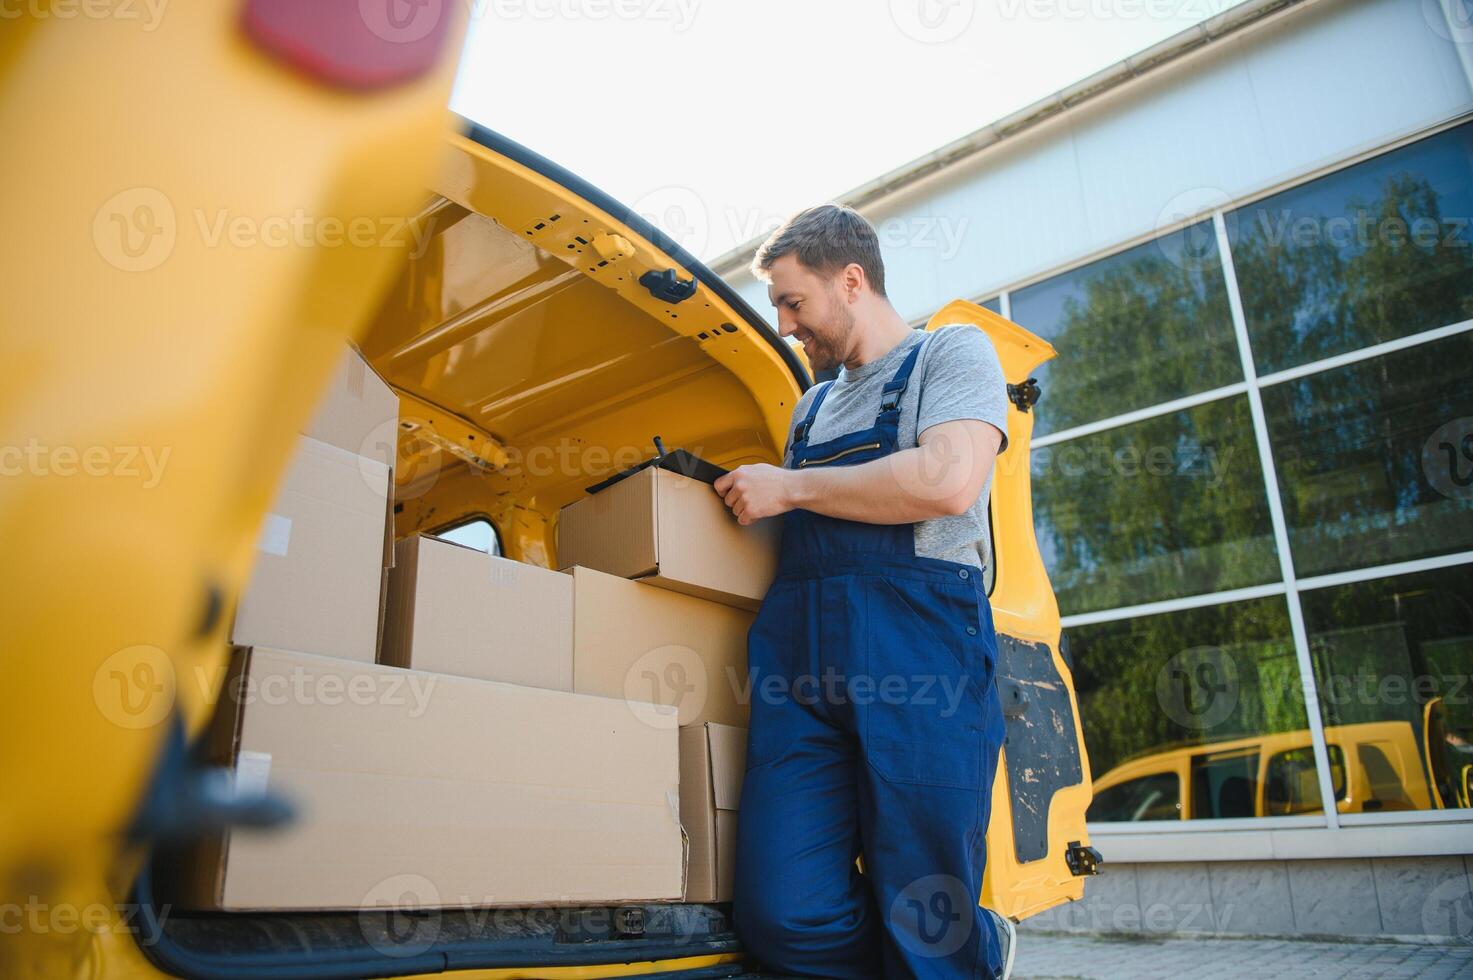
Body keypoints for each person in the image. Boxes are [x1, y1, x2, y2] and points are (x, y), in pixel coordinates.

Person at [713, 204, 1012, 979]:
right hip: (802, 665)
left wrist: (792, 490)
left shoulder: (951, 354)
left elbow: (947, 482)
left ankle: (962, 951)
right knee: (780, 913)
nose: (784, 325)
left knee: (924, 909)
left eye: (791, 301)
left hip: (919, 656)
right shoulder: (809, 409)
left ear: (850, 281)